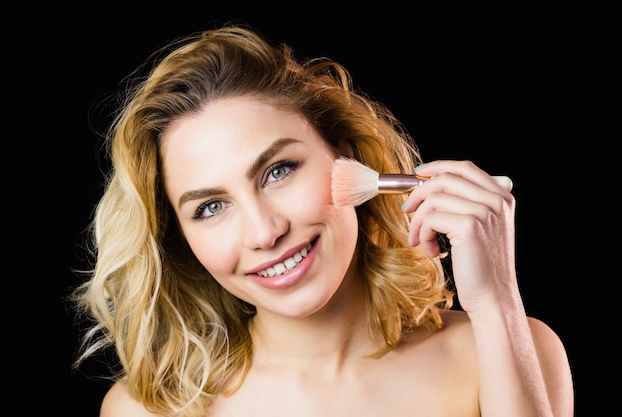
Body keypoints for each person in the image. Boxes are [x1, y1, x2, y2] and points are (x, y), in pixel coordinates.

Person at [70, 23, 574, 417]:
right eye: (210, 207)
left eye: (278, 171)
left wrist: (495, 301)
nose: (266, 232)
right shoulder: (148, 409)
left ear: (346, 157)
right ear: (180, 241)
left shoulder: (506, 352)